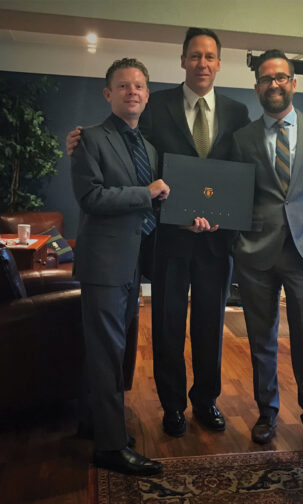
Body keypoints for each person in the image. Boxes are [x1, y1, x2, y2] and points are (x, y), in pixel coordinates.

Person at [66, 28, 303, 439]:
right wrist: (84, 139)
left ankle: (206, 400)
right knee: (168, 326)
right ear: (183, 61)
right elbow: (132, 151)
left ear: (219, 63)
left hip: (217, 242)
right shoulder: (156, 107)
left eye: (209, 56)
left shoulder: (237, 114)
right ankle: (172, 406)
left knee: (210, 326)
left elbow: (245, 178)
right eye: (194, 56)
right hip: (169, 239)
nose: (202, 63)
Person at [231, 49, 303, 461]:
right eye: (265, 79)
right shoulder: (243, 138)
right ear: (256, 86)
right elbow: (234, 197)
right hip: (256, 253)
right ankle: (267, 415)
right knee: (262, 340)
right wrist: (233, 241)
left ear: (293, 83)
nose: (273, 84)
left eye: (281, 77)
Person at [71, 57, 169, 475]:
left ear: (147, 95)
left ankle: (94, 423)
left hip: (132, 265)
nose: (133, 91)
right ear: (108, 93)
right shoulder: (88, 139)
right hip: (103, 265)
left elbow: (153, 203)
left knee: (117, 352)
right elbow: (90, 198)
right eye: (124, 85)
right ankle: (110, 448)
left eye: (140, 86)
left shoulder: (146, 147)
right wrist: (146, 192)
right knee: (108, 354)